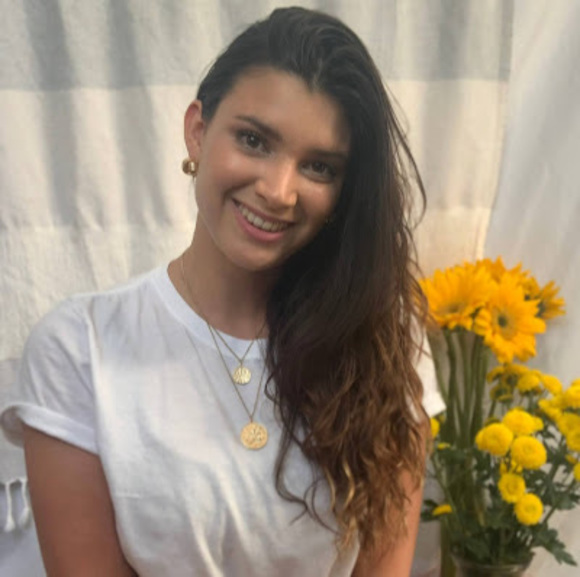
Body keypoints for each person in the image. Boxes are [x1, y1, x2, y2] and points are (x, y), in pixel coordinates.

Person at [1, 6, 444, 576]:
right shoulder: (80, 349)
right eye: (254, 140)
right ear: (198, 130)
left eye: (319, 167)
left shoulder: (383, 338)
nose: (279, 191)